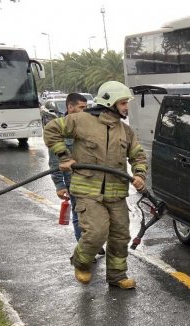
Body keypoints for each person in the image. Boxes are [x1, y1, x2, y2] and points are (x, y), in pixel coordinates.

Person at [44, 81, 147, 289]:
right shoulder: (81, 120)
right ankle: (80, 262)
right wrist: (64, 156)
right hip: (88, 191)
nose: (127, 107)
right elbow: (51, 130)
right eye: (124, 102)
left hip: (116, 193)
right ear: (110, 101)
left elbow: (138, 155)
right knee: (97, 232)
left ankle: (117, 276)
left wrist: (139, 173)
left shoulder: (125, 131)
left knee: (120, 235)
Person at [48, 93, 87, 242]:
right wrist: (59, 185)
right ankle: (84, 248)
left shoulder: (88, 127)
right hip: (73, 181)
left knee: (94, 214)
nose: (84, 111)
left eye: (85, 108)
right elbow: (54, 161)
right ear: (70, 107)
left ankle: (92, 242)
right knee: (79, 214)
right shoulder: (59, 128)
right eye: (81, 107)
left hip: (91, 180)